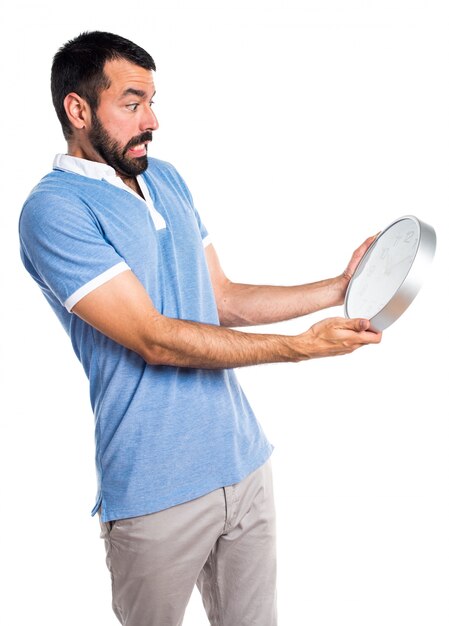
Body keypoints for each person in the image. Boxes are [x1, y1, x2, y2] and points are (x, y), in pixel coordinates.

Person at [18, 30, 381, 626]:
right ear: (78, 109)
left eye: (152, 101)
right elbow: (153, 337)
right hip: (154, 487)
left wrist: (339, 287)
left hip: (243, 463)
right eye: (132, 103)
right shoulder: (55, 210)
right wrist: (299, 349)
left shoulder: (166, 178)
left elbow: (224, 299)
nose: (152, 119)